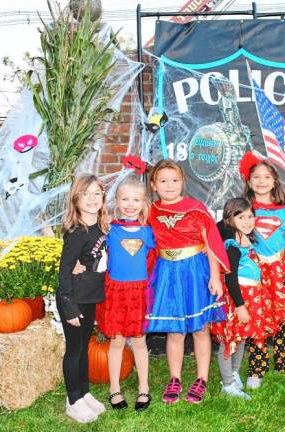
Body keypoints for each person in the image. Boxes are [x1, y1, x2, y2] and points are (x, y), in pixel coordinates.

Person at [146, 160, 229, 404]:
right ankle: (175, 378)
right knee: (175, 330)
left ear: (183, 182)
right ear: (153, 185)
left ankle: (202, 378)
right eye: (163, 181)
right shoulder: (150, 211)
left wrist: (214, 276)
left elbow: (212, 244)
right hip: (167, 273)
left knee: (200, 328)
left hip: (195, 271)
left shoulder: (196, 208)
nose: (169, 185)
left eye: (175, 180)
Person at [76, 174, 155, 411]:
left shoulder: (148, 232)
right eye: (125, 199)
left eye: (136, 200)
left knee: (140, 341)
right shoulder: (109, 230)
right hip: (116, 293)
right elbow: (90, 250)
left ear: (144, 203)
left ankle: (144, 387)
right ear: (116, 201)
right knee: (117, 341)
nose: (130, 205)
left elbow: (154, 260)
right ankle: (114, 388)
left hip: (139, 292)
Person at [239, 152, 285, 389]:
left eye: (267, 177)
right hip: (254, 272)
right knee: (257, 316)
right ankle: (257, 367)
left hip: (279, 272)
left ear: (275, 181)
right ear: (249, 181)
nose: (262, 181)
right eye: (256, 177)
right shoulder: (243, 210)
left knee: (280, 316)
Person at [56, 174, 110, 423]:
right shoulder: (76, 232)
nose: (91, 199)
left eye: (96, 193)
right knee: (74, 350)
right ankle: (73, 399)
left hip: (89, 298)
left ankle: (84, 392)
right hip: (73, 299)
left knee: (85, 349)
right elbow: (64, 271)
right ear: (76, 199)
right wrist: (68, 306)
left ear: (103, 197)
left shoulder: (102, 227)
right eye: (85, 194)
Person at [211, 198, 272, 400]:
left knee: (242, 337)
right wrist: (240, 306)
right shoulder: (232, 245)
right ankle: (227, 384)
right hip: (238, 300)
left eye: (250, 216)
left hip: (251, 297)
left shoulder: (249, 240)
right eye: (241, 217)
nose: (247, 221)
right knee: (230, 341)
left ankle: (235, 373)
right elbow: (230, 278)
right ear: (229, 219)